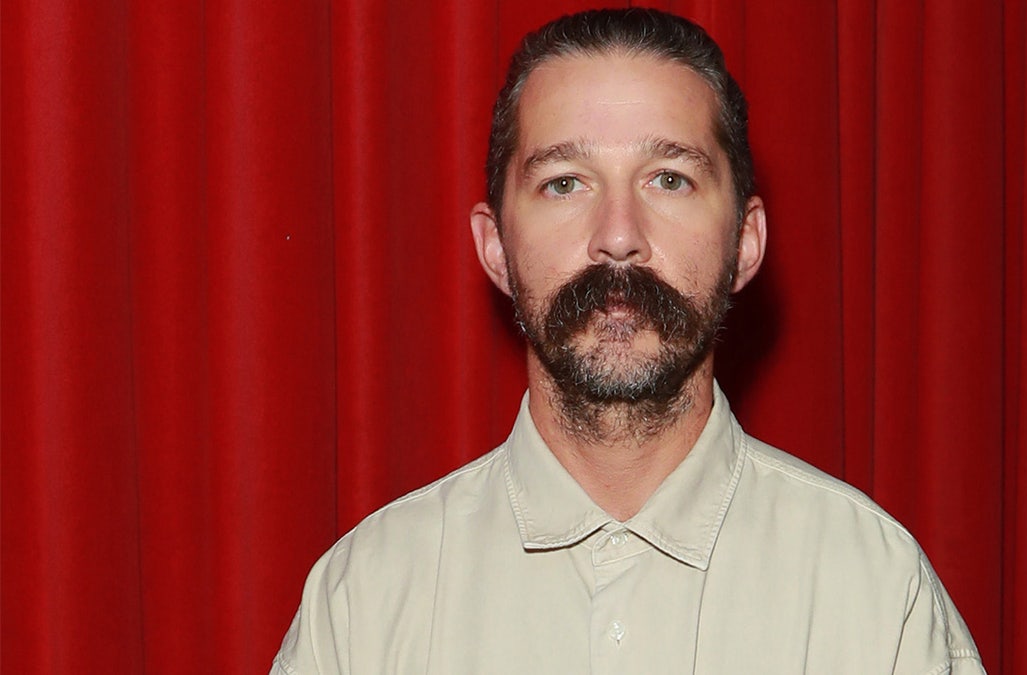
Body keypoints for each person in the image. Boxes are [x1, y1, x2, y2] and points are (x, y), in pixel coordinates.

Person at [271, 8, 985, 674]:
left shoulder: (878, 592)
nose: (618, 236)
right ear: (495, 247)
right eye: (565, 183)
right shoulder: (362, 603)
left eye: (669, 179)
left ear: (744, 240)